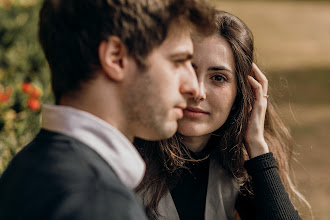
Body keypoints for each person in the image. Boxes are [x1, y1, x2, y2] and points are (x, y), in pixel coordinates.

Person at [0, 0, 215, 219]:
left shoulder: (25, 167)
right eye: (178, 61)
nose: (193, 87)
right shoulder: (100, 201)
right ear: (116, 58)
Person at [135, 10, 308, 220]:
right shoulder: (126, 156)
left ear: (242, 93)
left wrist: (258, 150)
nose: (198, 91)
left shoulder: (240, 166)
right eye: (187, 69)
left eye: (218, 77)